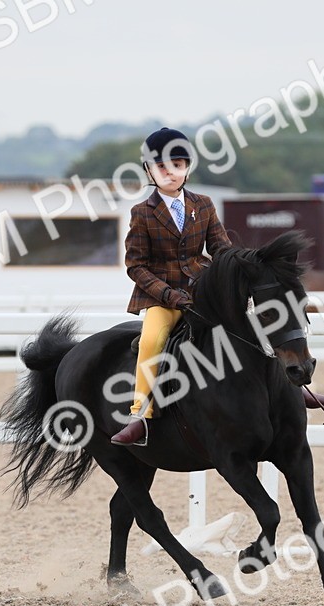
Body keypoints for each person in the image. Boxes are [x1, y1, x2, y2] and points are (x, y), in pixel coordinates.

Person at [111, 128, 232, 446]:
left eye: (177, 165)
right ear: (149, 171)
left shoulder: (203, 205)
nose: (171, 172)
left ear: (187, 168)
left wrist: (239, 266)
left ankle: (287, 388)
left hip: (202, 291)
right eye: (163, 167)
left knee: (249, 322)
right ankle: (140, 415)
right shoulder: (142, 213)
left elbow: (221, 248)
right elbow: (135, 265)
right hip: (161, 296)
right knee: (151, 340)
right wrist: (166, 294)